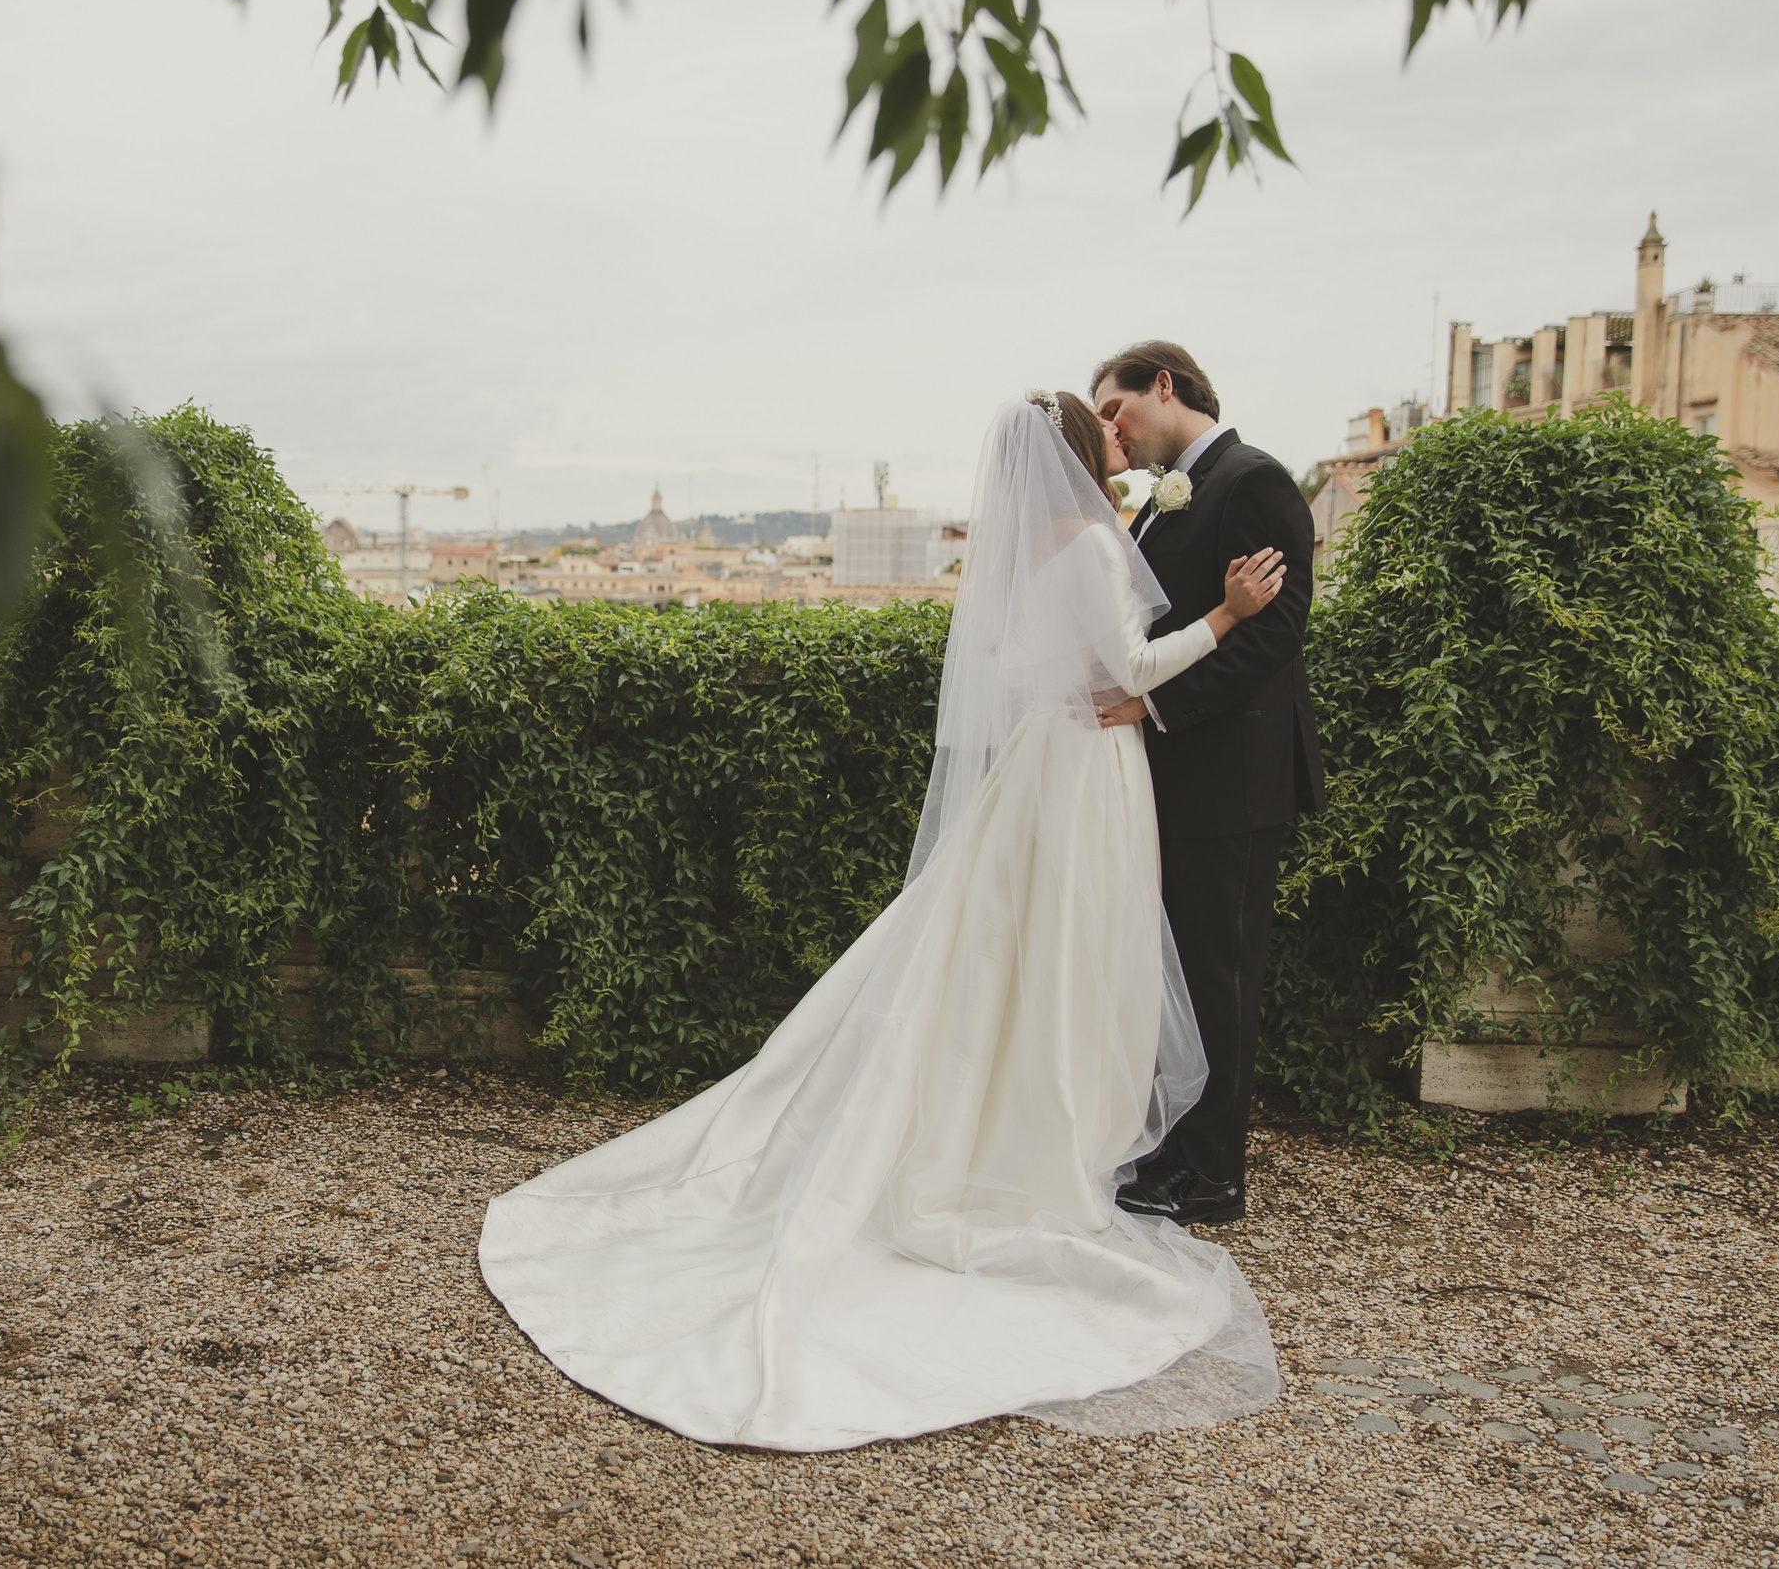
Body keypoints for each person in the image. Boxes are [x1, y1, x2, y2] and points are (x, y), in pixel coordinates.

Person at [479, 395, 1286, 1452]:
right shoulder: (1094, 545)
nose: (1118, 437)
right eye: (1104, 430)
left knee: (1020, 953)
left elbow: (1031, 667)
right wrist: (1226, 615)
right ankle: (1052, 1142)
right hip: (1089, 772)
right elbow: (1131, 675)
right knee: (1071, 954)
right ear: (1083, 453)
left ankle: (1016, 1128)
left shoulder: (1041, 554)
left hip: (1047, 766)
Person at [1091, 341, 1325, 1229]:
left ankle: (1213, 1176)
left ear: (1164, 385)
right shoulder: (1167, 495)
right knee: (1180, 976)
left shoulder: (1252, 479)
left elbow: (1276, 632)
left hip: (1233, 779)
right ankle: (1172, 1148)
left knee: (1219, 976)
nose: (1111, 428)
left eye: (1115, 408)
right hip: (1180, 778)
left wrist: (1153, 708)